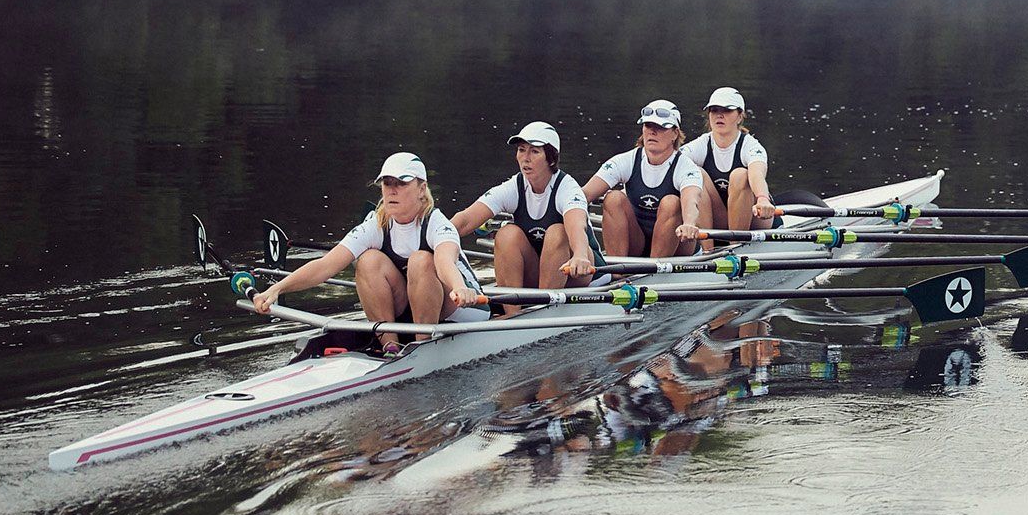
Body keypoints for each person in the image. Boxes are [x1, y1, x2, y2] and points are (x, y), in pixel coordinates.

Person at [252, 153, 487, 357]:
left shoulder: (437, 224)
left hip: (463, 312)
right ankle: (391, 346)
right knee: (367, 260)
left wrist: (459, 286)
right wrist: (276, 289)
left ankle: (422, 349)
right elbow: (326, 265)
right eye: (387, 183)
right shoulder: (376, 226)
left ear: (422, 189)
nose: (392, 190)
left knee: (421, 260)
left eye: (401, 183)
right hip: (414, 312)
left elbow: (445, 261)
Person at [451, 121, 596, 315]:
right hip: (538, 270)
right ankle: (513, 314)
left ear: (551, 159)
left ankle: (543, 311)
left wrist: (579, 254)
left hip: (576, 272)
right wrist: (433, 239)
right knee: (506, 233)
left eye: (534, 152)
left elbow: (577, 226)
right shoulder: (514, 187)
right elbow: (466, 220)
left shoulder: (568, 188)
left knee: (557, 231)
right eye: (521, 150)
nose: (525, 158)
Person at [585, 100, 706, 260]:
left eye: (661, 127)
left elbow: (692, 200)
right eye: (648, 126)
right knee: (613, 198)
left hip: (678, 245)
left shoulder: (686, 167)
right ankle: (616, 273)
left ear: (675, 133)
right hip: (638, 241)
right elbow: (584, 194)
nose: (652, 132)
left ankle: (654, 272)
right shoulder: (625, 161)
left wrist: (689, 223)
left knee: (671, 202)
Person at [684, 86, 773, 231]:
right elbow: (672, 164)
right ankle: (707, 249)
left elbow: (757, 173)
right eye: (715, 110)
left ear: (739, 116)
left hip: (754, 219)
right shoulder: (700, 144)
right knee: (694, 173)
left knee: (740, 175)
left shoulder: (751, 146)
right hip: (719, 217)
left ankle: (736, 246)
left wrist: (762, 198)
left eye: (727, 110)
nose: (719, 115)